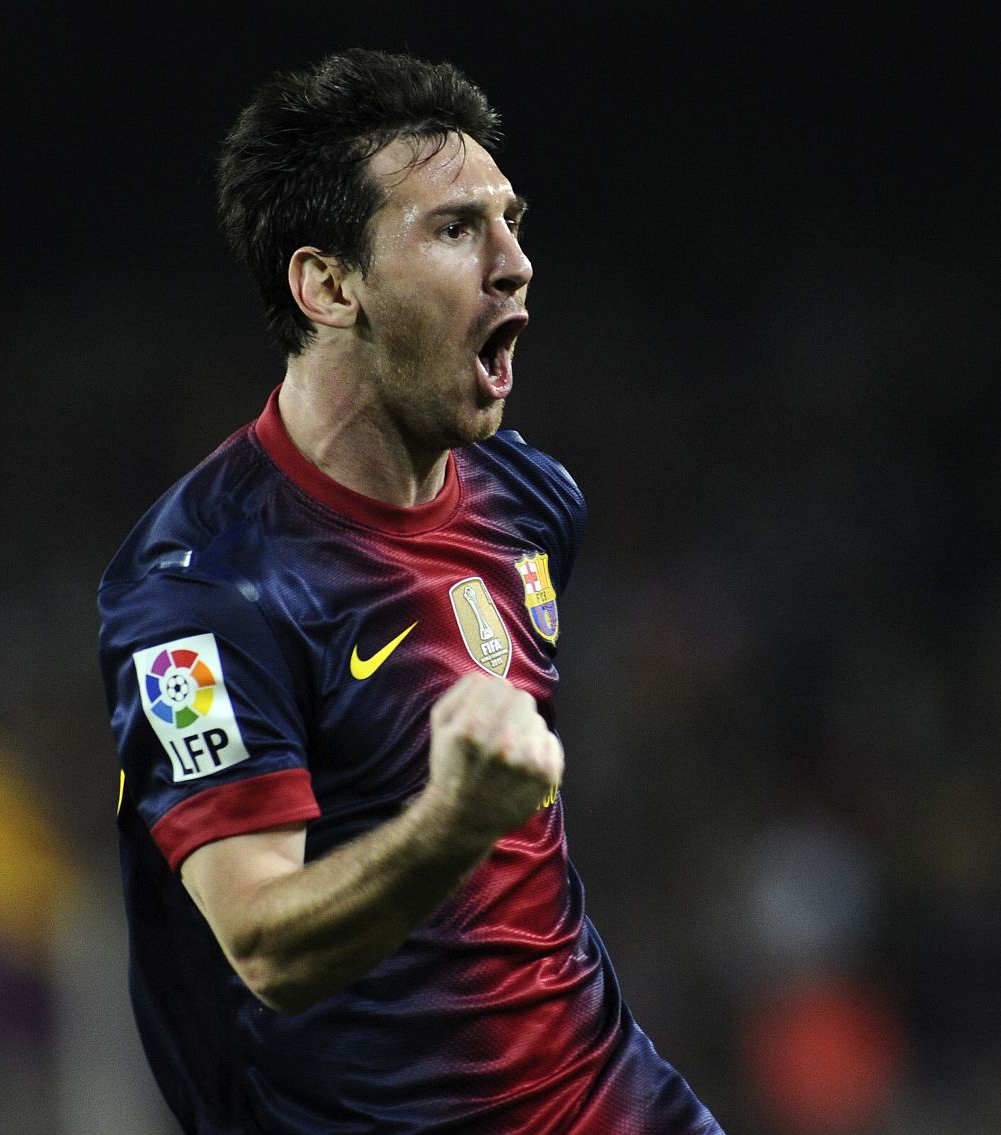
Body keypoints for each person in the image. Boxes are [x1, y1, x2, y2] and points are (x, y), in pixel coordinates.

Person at [98, 47, 725, 1133]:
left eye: (511, 220)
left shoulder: (529, 497)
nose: (516, 263)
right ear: (329, 285)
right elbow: (263, 944)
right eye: (455, 228)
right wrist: (451, 821)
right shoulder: (199, 592)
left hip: (608, 1100)